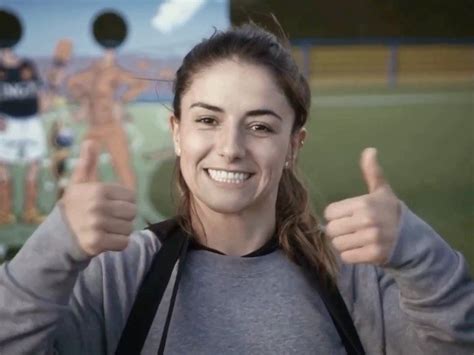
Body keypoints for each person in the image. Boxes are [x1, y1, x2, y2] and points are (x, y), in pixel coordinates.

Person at [0, 24, 473, 354]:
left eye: (261, 127)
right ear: (176, 132)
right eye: (207, 120)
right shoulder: (118, 275)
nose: (230, 148)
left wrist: (418, 252)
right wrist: (55, 245)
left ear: (294, 144)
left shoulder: (351, 276)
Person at [67, 11, 147, 191]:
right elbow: (72, 82)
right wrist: (84, 101)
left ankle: (127, 210)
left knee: (123, 168)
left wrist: (121, 101)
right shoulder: (91, 71)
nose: (109, 53)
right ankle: (97, 209)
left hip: (112, 127)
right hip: (93, 128)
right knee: (90, 171)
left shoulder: (116, 71)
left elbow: (140, 84)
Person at [0, 10, 67, 224]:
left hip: (31, 123)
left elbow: (43, 102)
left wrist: (56, 77)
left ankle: (30, 211)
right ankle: (5, 212)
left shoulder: (28, 66)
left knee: (33, 167)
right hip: (6, 123)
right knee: (3, 169)